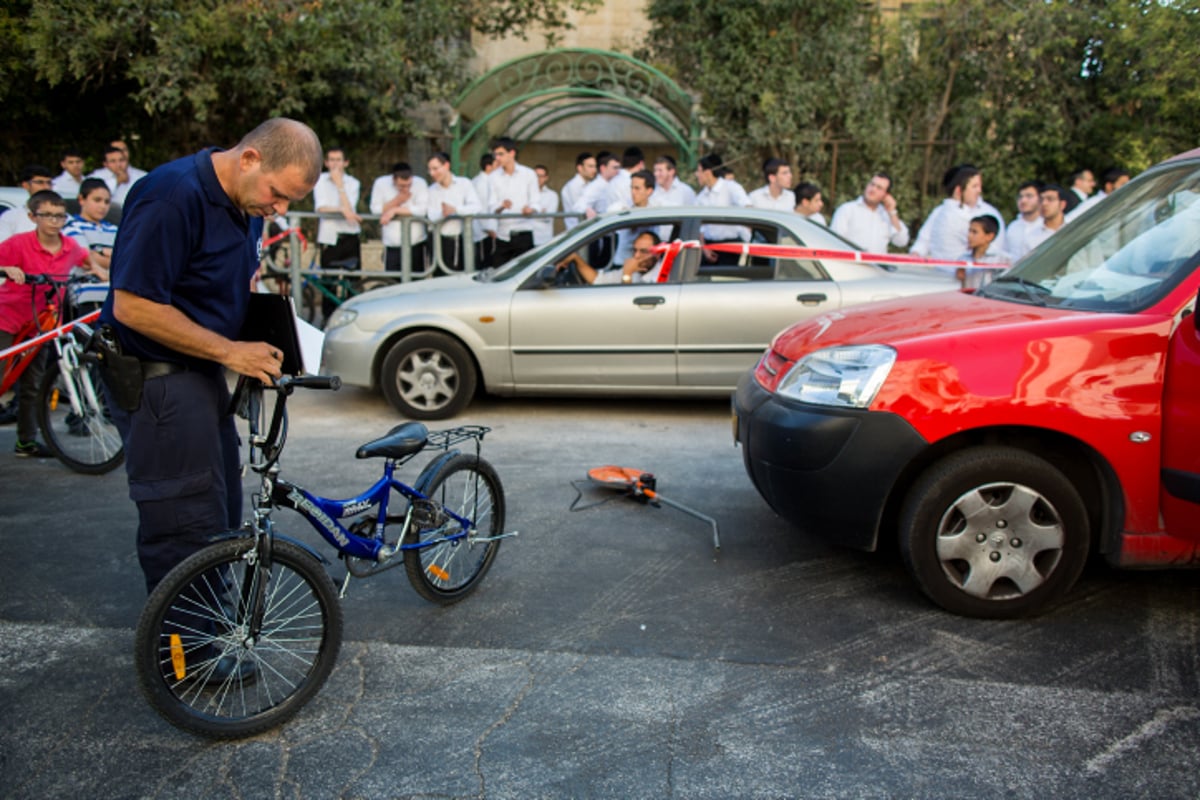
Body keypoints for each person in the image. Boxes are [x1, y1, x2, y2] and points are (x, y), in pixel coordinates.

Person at [98, 117, 322, 593]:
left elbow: (225, 286)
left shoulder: (247, 204)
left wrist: (269, 341)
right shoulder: (172, 196)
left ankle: (212, 632)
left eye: (289, 203)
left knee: (219, 511)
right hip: (156, 377)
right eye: (277, 194)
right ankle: (186, 658)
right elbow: (133, 305)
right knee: (183, 520)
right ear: (249, 158)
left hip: (200, 375)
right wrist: (229, 351)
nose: (279, 210)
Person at [0, 190, 102, 456]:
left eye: (60, 216)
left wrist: (99, 271)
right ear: (33, 216)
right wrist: (7, 270)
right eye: (48, 215)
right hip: (9, 318)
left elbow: (87, 261)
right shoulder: (18, 244)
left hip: (43, 323)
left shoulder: (69, 246)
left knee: (33, 384)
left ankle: (26, 441)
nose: (55, 221)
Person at [910, 165, 1005, 260]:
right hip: (949, 270)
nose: (979, 190)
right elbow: (924, 240)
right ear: (959, 190)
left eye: (979, 186)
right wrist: (916, 255)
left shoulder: (990, 212)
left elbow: (994, 249)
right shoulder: (943, 213)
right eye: (974, 186)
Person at [313, 146, 362, 318]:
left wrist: (340, 186)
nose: (335, 164)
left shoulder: (353, 183)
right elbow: (321, 208)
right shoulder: (319, 181)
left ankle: (352, 315)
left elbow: (351, 209)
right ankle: (328, 318)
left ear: (345, 163)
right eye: (331, 160)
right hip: (329, 237)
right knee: (329, 281)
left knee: (353, 280)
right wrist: (341, 210)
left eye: (338, 160)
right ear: (326, 163)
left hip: (350, 235)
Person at [487, 137, 541, 265]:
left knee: (525, 273)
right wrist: (501, 205)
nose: (497, 158)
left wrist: (530, 209)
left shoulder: (528, 174)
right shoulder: (493, 177)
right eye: (496, 155)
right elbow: (491, 206)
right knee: (499, 272)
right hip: (503, 234)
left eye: (501, 154)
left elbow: (536, 202)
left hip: (524, 231)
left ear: (512, 153)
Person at [426, 152, 482, 272]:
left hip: (459, 238)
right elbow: (431, 215)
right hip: (437, 240)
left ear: (446, 166)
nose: (432, 173)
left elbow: (476, 207)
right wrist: (443, 213)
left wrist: (455, 210)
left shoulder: (464, 183)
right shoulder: (431, 190)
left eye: (435, 168)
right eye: (430, 169)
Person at [370, 162, 428, 274]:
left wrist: (394, 210)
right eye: (402, 186)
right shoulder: (381, 183)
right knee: (393, 281)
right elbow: (375, 209)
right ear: (393, 180)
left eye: (409, 185)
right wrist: (398, 200)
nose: (406, 189)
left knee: (416, 281)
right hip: (392, 243)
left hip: (416, 242)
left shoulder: (420, 183)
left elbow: (422, 210)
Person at [830, 172, 909, 253]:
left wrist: (892, 213)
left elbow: (902, 242)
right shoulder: (847, 210)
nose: (873, 189)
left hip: (877, 264)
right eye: (872, 184)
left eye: (879, 188)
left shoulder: (887, 216)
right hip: (848, 264)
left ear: (885, 195)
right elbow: (834, 241)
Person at [695, 154, 750, 264]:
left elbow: (748, 208)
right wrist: (705, 248)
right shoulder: (700, 197)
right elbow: (699, 227)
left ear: (708, 172)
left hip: (731, 246)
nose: (697, 175)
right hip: (709, 246)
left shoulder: (731, 188)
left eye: (699, 171)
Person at [556, 231, 664, 285]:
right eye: (634, 250)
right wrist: (576, 259)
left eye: (643, 251)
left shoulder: (663, 274)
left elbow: (629, 304)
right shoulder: (634, 269)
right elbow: (598, 280)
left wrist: (627, 275)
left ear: (657, 254)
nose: (636, 256)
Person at [64, 178, 119, 273]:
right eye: (97, 200)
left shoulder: (115, 229)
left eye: (107, 202)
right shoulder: (71, 227)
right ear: (81, 199)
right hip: (85, 284)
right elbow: (86, 257)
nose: (103, 206)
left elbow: (131, 258)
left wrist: (97, 252)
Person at [0, 165, 54, 242]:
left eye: (49, 183)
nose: (46, 187)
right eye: (40, 182)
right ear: (25, 185)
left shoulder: (63, 217)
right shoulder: (10, 217)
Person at [956, 214, 1005, 290]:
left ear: (989, 236)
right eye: (969, 231)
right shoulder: (963, 258)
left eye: (974, 232)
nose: (969, 236)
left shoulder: (1001, 259)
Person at [1005, 180, 1044, 264]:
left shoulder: (1045, 226)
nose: (1023, 201)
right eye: (1020, 197)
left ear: (1040, 199)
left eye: (1029, 196)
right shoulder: (1012, 227)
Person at [1025, 183, 1070, 251]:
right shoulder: (1031, 237)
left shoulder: (1073, 229)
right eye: (1041, 200)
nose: (1044, 203)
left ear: (1062, 205)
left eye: (1050, 199)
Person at [472, 153, 496, 268]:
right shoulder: (481, 183)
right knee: (484, 264)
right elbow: (481, 208)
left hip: (487, 231)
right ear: (488, 167)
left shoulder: (487, 181)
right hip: (483, 233)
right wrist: (489, 229)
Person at [560, 152, 595, 230]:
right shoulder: (573, 186)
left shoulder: (590, 184)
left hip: (588, 229)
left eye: (595, 166)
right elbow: (580, 209)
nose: (594, 170)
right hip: (577, 231)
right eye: (590, 166)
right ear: (580, 168)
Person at [531, 165, 559, 246]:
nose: (538, 179)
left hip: (543, 240)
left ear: (546, 178)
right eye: (536, 176)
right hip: (527, 239)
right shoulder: (525, 194)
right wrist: (541, 211)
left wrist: (532, 211)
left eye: (541, 176)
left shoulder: (552, 195)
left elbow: (547, 217)